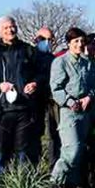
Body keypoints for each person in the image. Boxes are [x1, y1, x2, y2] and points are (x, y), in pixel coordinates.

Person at [0, 15, 40, 180]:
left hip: (24, 109)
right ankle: (1, 185)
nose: (10, 30)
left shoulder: (28, 50)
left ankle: (21, 184)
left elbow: (41, 73)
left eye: (12, 26)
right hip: (1, 110)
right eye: (6, 28)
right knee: (2, 149)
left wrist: (35, 83)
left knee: (23, 149)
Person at [50, 28, 95, 188]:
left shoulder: (86, 63)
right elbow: (56, 88)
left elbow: (93, 85)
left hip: (84, 111)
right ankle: (54, 185)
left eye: (81, 41)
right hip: (68, 111)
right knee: (72, 149)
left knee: (80, 150)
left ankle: (72, 186)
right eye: (76, 41)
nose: (79, 44)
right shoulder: (60, 62)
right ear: (69, 43)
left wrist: (88, 98)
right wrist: (70, 102)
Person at [31, 27, 60, 166]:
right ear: (36, 40)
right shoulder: (29, 57)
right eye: (43, 39)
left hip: (52, 101)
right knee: (34, 134)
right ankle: (34, 166)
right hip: (34, 101)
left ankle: (53, 166)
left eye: (50, 39)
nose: (46, 42)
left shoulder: (54, 59)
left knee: (54, 134)